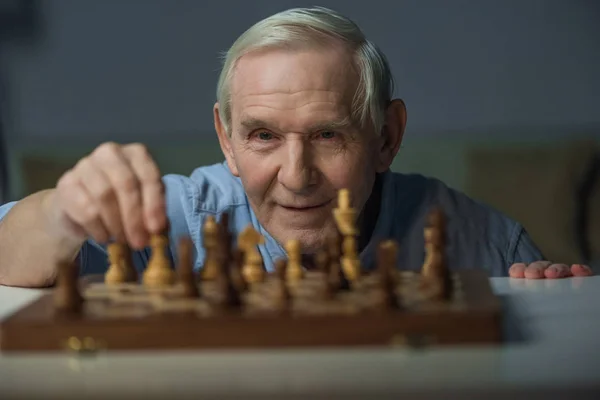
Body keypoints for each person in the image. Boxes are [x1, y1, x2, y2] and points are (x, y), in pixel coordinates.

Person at [0, 7, 592, 288]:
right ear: (225, 141)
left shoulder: (483, 243)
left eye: (328, 135)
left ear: (386, 137)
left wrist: (557, 303)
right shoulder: (175, 218)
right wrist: (60, 213)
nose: (296, 174)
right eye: (262, 136)